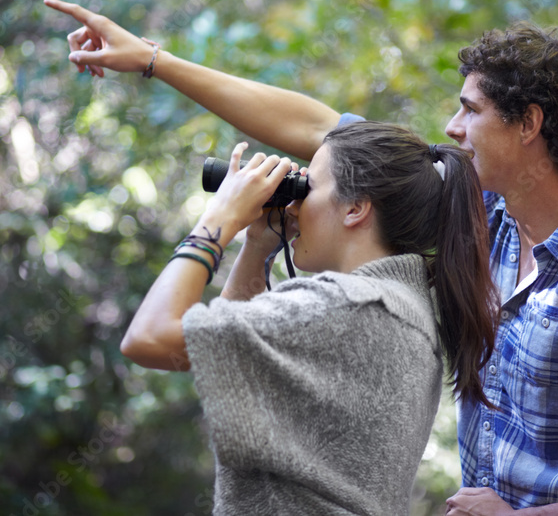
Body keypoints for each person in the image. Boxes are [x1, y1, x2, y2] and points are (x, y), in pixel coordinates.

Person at [44, 0, 558, 515]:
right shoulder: (488, 217)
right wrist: (154, 61)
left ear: (529, 124)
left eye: (469, 111)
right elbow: (319, 128)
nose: (452, 130)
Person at [119, 121, 498, 515]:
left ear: (355, 208)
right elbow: (220, 341)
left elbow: (149, 339)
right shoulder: (405, 309)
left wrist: (218, 219)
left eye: (307, 189)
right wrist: (257, 244)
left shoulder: (348, 307)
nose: (293, 206)